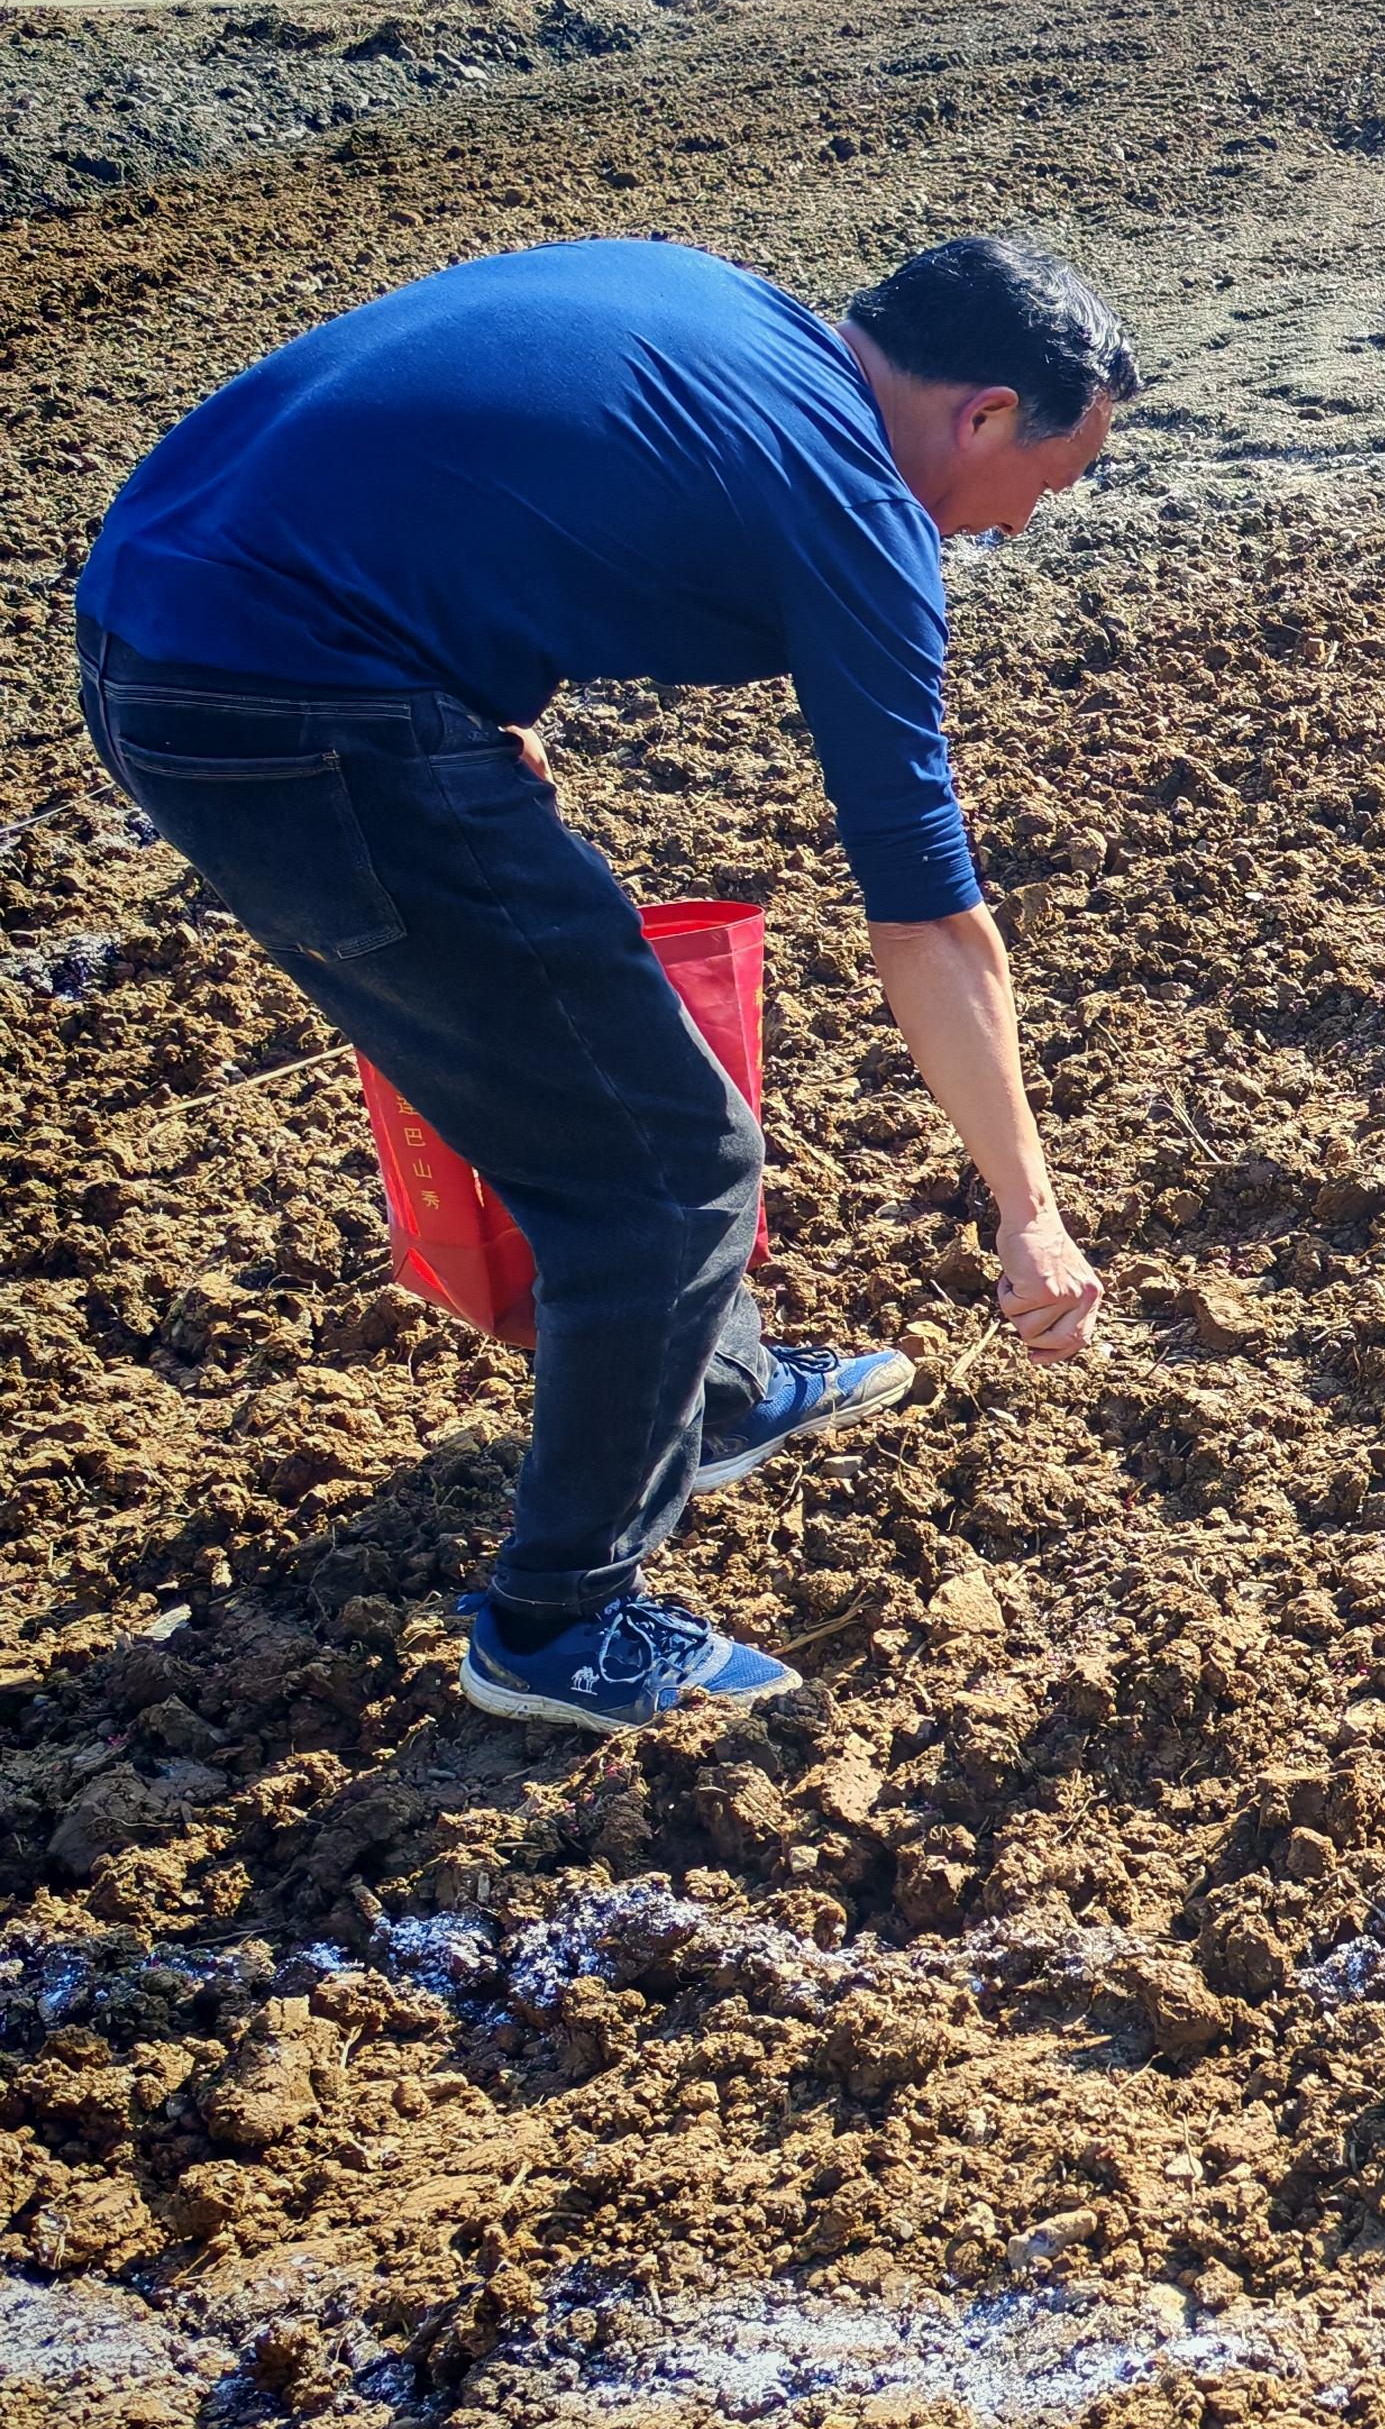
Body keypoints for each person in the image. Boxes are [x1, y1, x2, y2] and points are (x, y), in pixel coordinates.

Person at [74, 237, 1130, 1733]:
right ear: (985, 414)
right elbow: (931, 923)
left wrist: (473, 701)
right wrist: (1028, 1214)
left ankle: (717, 1392)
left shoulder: (736, 321)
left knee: (613, 1076)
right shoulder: (850, 506)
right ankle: (555, 1623)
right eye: (1055, 478)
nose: (1024, 527)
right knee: (660, 1169)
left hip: (168, 614)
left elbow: (505, 491)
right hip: (282, 704)